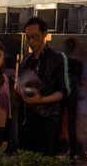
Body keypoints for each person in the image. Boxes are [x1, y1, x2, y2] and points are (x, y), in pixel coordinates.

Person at [15, 18, 69, 155]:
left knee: (45, 160)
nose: (31, 41)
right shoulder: (25, 63)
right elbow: (19, 89)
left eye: (35, 37)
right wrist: (21, 91)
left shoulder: (57, 58)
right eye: (28, 38)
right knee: (26, 160)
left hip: (48, 120)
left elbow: (64, 91)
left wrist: (41, 100)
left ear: (45, 34)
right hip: (27, 120)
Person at [62, 37, 87, 161]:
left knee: (62, 121)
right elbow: (80, 80)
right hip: (75, 94)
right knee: (73, 123)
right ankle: (74, 151)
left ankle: (69, 150)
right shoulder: (79, 63)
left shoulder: (62, 61)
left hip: (63, 94)